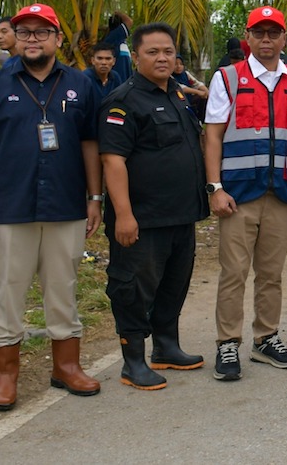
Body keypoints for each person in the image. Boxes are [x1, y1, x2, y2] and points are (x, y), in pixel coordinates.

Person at [0, 3, 102, 411]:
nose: (32, 39)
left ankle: (67, 366)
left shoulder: (80, 86)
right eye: (24, 32)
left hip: (66, 205)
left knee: (63, 288)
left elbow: (91, 144)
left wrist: (95, 198)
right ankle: (5, 375)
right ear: (15, 39)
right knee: (8, 291)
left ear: (58, 38)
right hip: (8, 207)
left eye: (42, 32)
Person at [99, 23, 209, 391]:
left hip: (181, 213)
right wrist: (124, 215)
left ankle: (166, 346)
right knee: (133, 288)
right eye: (152, 52)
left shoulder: (177, 93)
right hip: (143, 218)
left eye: (168, 52)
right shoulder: (123, 101)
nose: (162, 58)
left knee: (174, 283)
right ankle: (133, 361)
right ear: (136, 57)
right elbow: (113, 160)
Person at [205, 6, 287, 382]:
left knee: (271, 273)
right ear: (247, 37)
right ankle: (227, 342)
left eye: (273, 33)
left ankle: (266, 339)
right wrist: (215, 188)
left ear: (284, 39)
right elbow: (213, 135)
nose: (266, 40)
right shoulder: (228, 77)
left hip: (281, 190)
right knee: (234, 271)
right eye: (259, 33)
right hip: (238, 194)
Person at [102, 11, 134, 83]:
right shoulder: (115, 35)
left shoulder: (118, 39)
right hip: (118, 84)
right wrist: (117, 12)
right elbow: (129, 21)